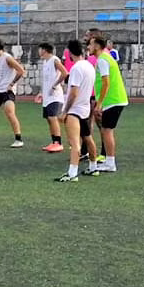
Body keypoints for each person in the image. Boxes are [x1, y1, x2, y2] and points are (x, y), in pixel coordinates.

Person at [55, 40, 100, 182]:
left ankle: (72, 173)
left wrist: (65, 111)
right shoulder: (89, 66)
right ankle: (93, 167)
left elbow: (74, 93)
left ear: (70, 53)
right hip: (85, 108)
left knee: (74, 142)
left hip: (75, 110)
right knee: (88, 138)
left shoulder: (76, 69)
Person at [90, 35, 128, 173]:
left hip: (113, 100)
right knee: (106, 130)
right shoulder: (106, 58)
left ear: (97, 46)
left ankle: (110, 163)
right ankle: (109, 161)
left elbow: (106, 82)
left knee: (107, 130)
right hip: (114, 100)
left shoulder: (103, 60)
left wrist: (99, 103)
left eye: (90, 44)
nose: (88, 47)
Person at [35, 42, 68, 153]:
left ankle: (58, 143)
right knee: (49, 119)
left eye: (40, 49)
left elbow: (64, 73)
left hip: (55, 96)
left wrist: (55, 84)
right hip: (47, 97)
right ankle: (54, 141)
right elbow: (46, 80)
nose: (39, 51)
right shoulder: (45, 62)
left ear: (44, 50)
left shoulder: (54, 60)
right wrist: (41, 93)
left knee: (53, 118)